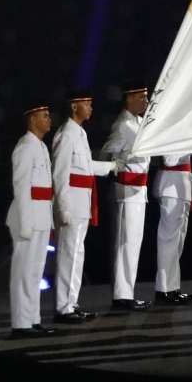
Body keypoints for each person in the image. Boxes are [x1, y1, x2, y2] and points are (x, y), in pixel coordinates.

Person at [52, 89, 119, 322]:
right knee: (68, 255)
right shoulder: (66, 135)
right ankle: (63, 308)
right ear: (74, 106)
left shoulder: (79, 133)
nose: (91, 108)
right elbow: (60, 175)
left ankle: (71, 303)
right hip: (72, 204)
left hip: (82, 204)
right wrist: (63, 207)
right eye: (87, 104)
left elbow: (86, 166)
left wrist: (111, 167)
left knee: (77, 255)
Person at [6, 100, 58, 337]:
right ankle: (21, 323)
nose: (49, 119)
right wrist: (26, 222)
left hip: (40, 215)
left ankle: (32, 318)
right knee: (24, 271)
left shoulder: (40, 146)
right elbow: (22, 187)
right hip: (27, 217)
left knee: (36, 271)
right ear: (32, 120)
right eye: (44, 115)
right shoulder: (25, 147)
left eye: (48, 115)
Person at [101, 81, 152, 311]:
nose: (146, 101)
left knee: (134, 243)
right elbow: (106, 151)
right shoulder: (122, 125)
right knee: (125, 242)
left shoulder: (140, 122)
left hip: (139, 190)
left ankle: (127, 293)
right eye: (141, 97)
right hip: (126, 190)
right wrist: (116, 165)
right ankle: (121, 295)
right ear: (129, 98)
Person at [153, 146, 192, 305]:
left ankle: (172, 288)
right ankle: (163, 289)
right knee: (168, 241)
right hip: (171, 187)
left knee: (178, 243)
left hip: (182, 188)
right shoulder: (172, 130)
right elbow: (169, 160)